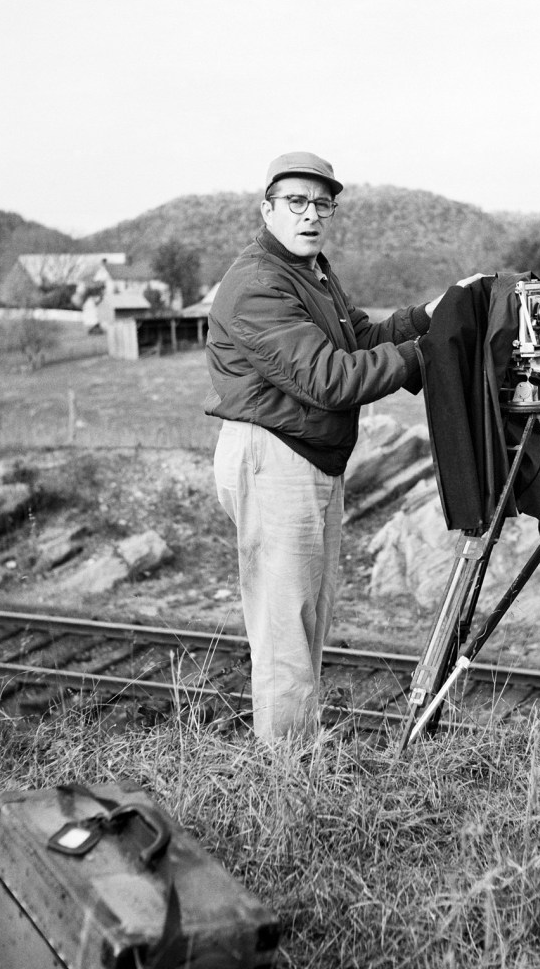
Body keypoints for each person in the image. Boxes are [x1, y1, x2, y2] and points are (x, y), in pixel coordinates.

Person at [204, 151, 480, 742]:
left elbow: (365, 338)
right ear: (268, 210)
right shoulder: (257, 284)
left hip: (307, 458)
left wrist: (436, 314)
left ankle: (295, 752)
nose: (311, 215)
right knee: (285, 630)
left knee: (306, 619)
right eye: (296, 202)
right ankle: (287, 775)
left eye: (322, 204)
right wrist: (428, 355)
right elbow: (330, 379)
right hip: (273, 456)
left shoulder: (312, 274)